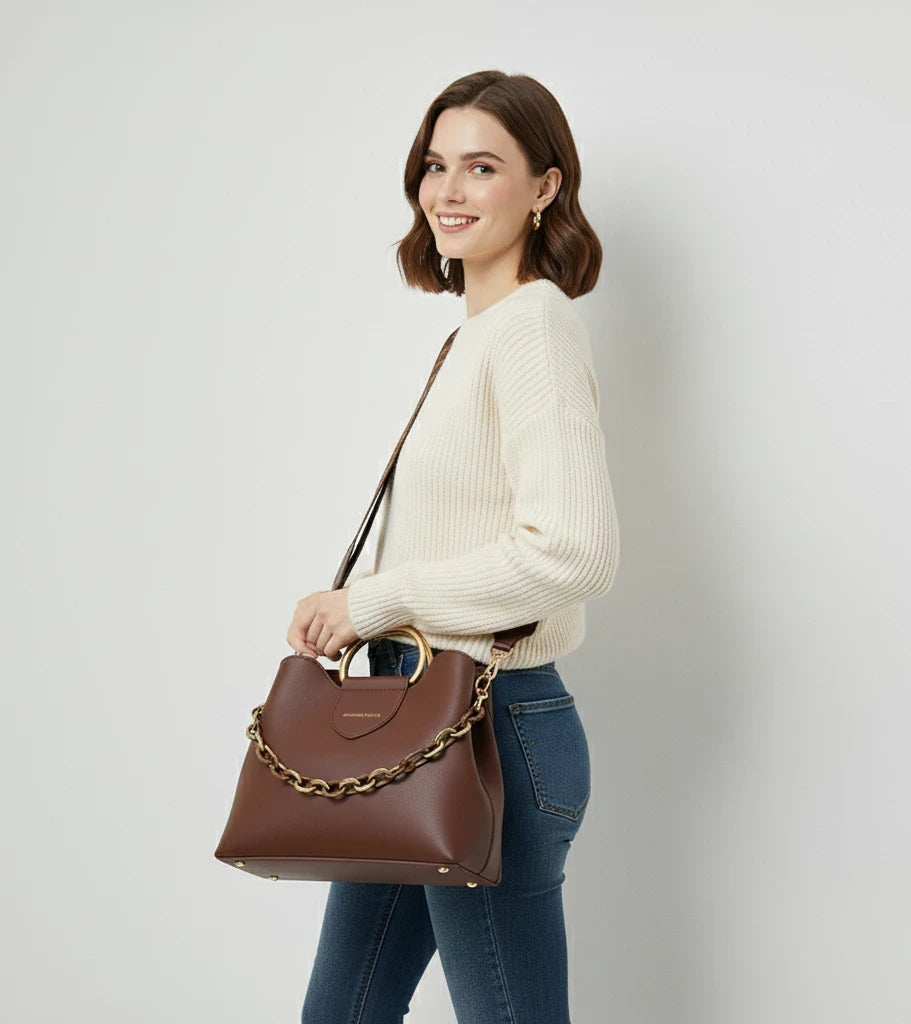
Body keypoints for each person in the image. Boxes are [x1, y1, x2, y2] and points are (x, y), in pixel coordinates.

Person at [289, 69, 620, 1024]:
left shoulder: (533, 329)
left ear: (545, 186)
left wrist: (375, 601)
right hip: (417, 721)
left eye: (482, 167)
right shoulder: (475, 336)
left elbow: (574, 552)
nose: (448, 190)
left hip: (490, 728)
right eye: (436, 166)